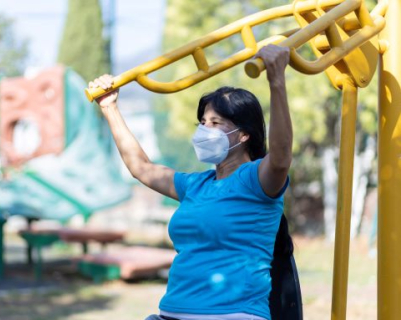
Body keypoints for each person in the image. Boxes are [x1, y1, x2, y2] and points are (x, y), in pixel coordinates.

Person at [88, 44, 292, 320]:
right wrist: (110, 107)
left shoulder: (257, 180)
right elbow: (141, 168)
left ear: (243, 135)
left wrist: (277, 81)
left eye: (215, 123)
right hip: (172, 313)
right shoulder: (196, 185)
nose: (204, 130)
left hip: (232, 314)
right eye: (202, 122)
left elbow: (280, 157)